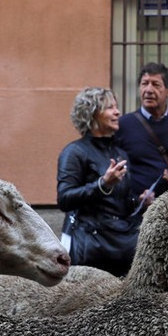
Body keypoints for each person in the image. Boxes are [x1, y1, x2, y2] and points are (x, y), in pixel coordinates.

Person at [57, 87, 138, 276]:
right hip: (90, 249)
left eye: (116, 107)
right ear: (92, 114)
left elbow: (121, 203)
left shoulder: (120, 153)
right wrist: (103, 185)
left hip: (122, 247)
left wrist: (140, 200)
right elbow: (64, 199)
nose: (117, 112)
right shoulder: (74, 152)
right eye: (110, 107)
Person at [114, 62, 168, 215]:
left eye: (155, 84)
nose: (148, 90)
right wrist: (134, 198)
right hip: (136, 211)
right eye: (144, 84)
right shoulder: (123, 125)